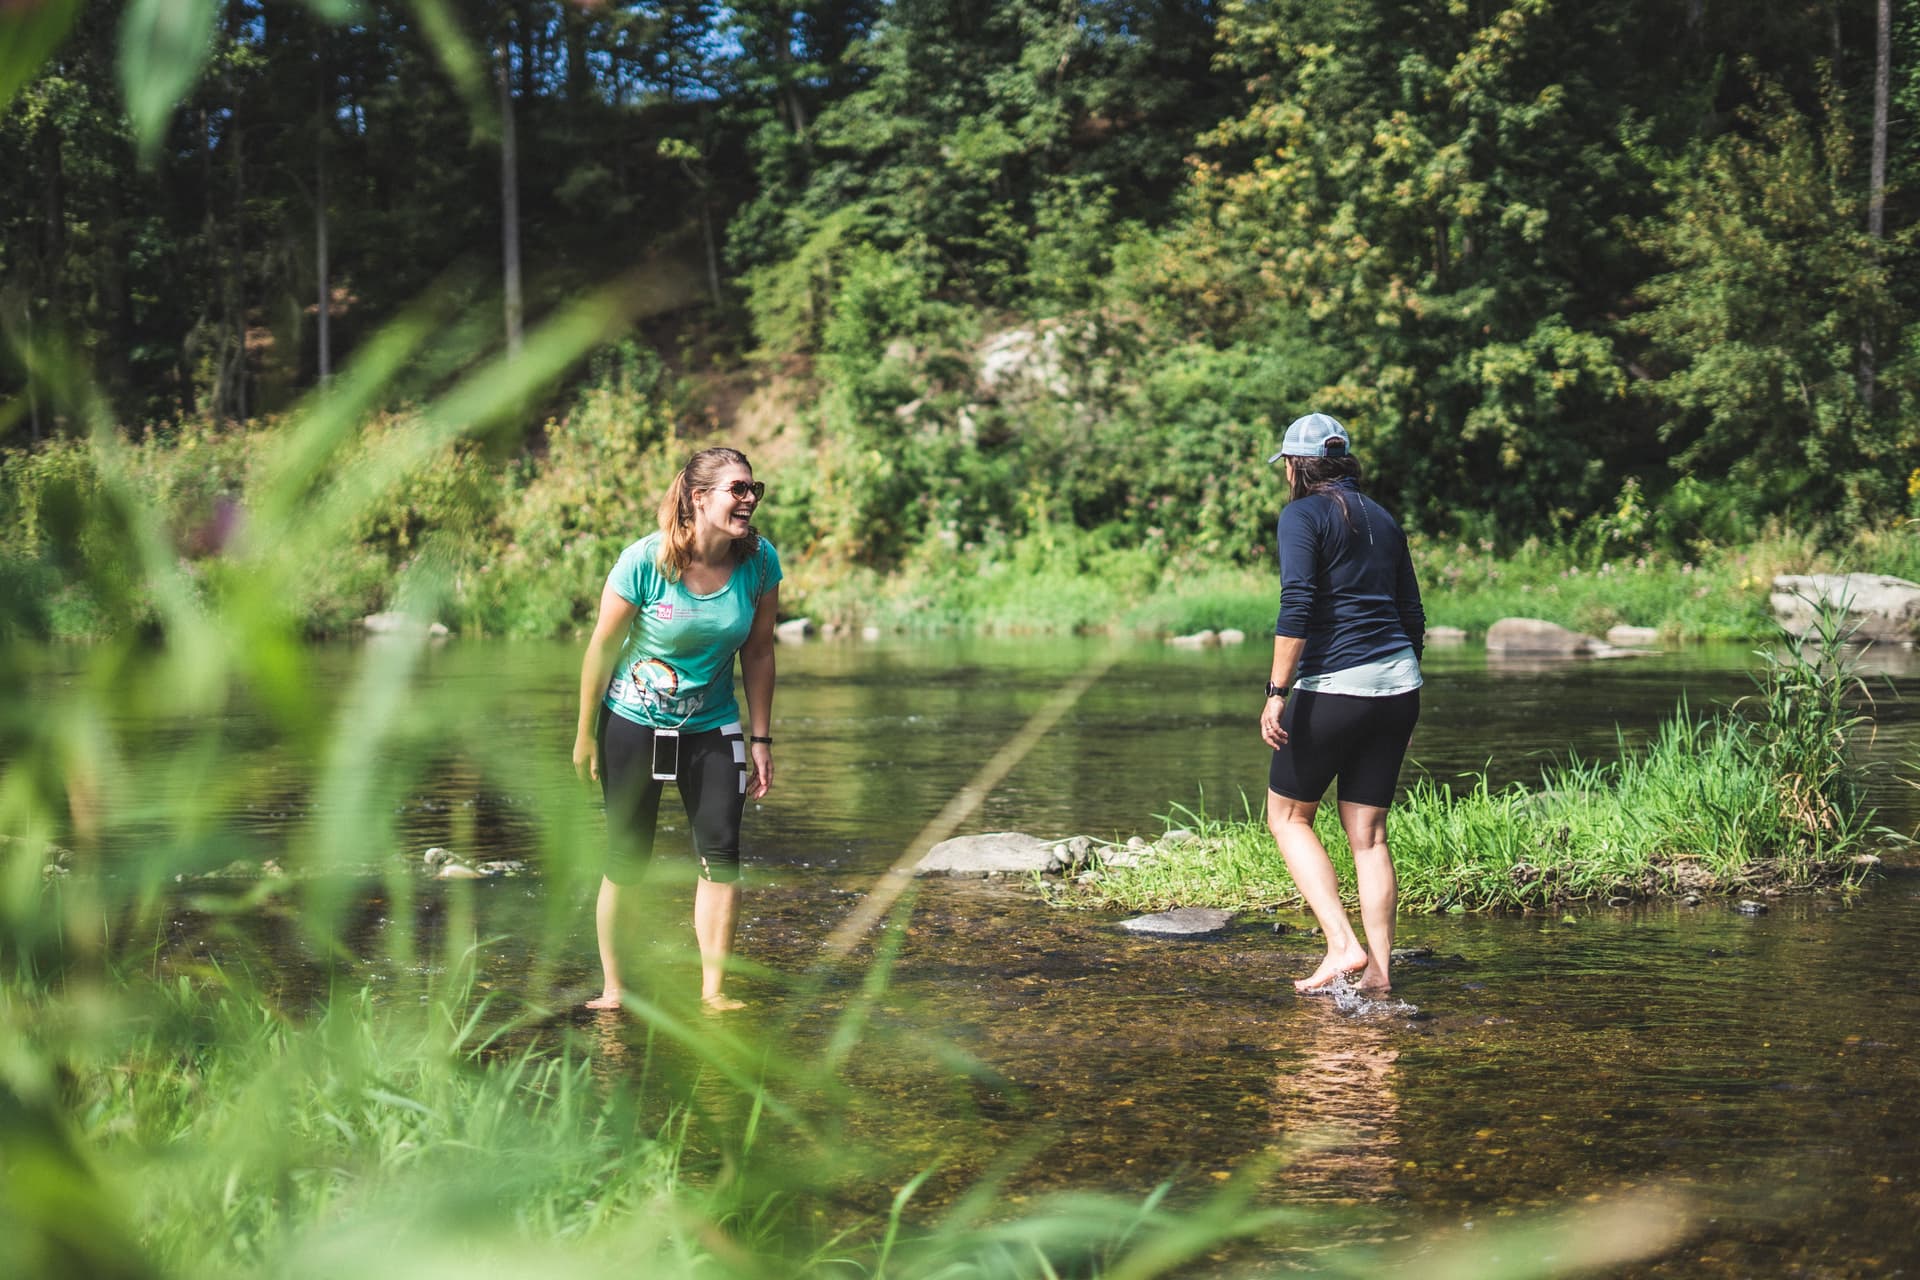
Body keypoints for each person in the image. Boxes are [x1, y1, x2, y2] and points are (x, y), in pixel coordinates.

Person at [573, 446, 780, 1013]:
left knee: (722, 854)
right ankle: (615, 989)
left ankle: (713, 992)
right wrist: (586, 732)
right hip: (631, 723)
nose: (749, 500)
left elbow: (759, 654)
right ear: (699, 497)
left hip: (712, 725)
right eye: (736, 489)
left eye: (752, 489)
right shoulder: (645, 562)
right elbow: (600, 649)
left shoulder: (760, 563)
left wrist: (760, 739)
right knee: (626, 858)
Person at [1259, 414, 1424, 995]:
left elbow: (1297, 602)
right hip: (1399, 684)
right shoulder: (1383, 517)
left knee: (1288, 816)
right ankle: (1380, 973)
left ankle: (1341, 945)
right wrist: (1405, 693)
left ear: (1295, 465)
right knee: (1370, 836)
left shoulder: (1302, 514)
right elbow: (1412, 614)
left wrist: (1277, 692)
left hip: (1336, 686)